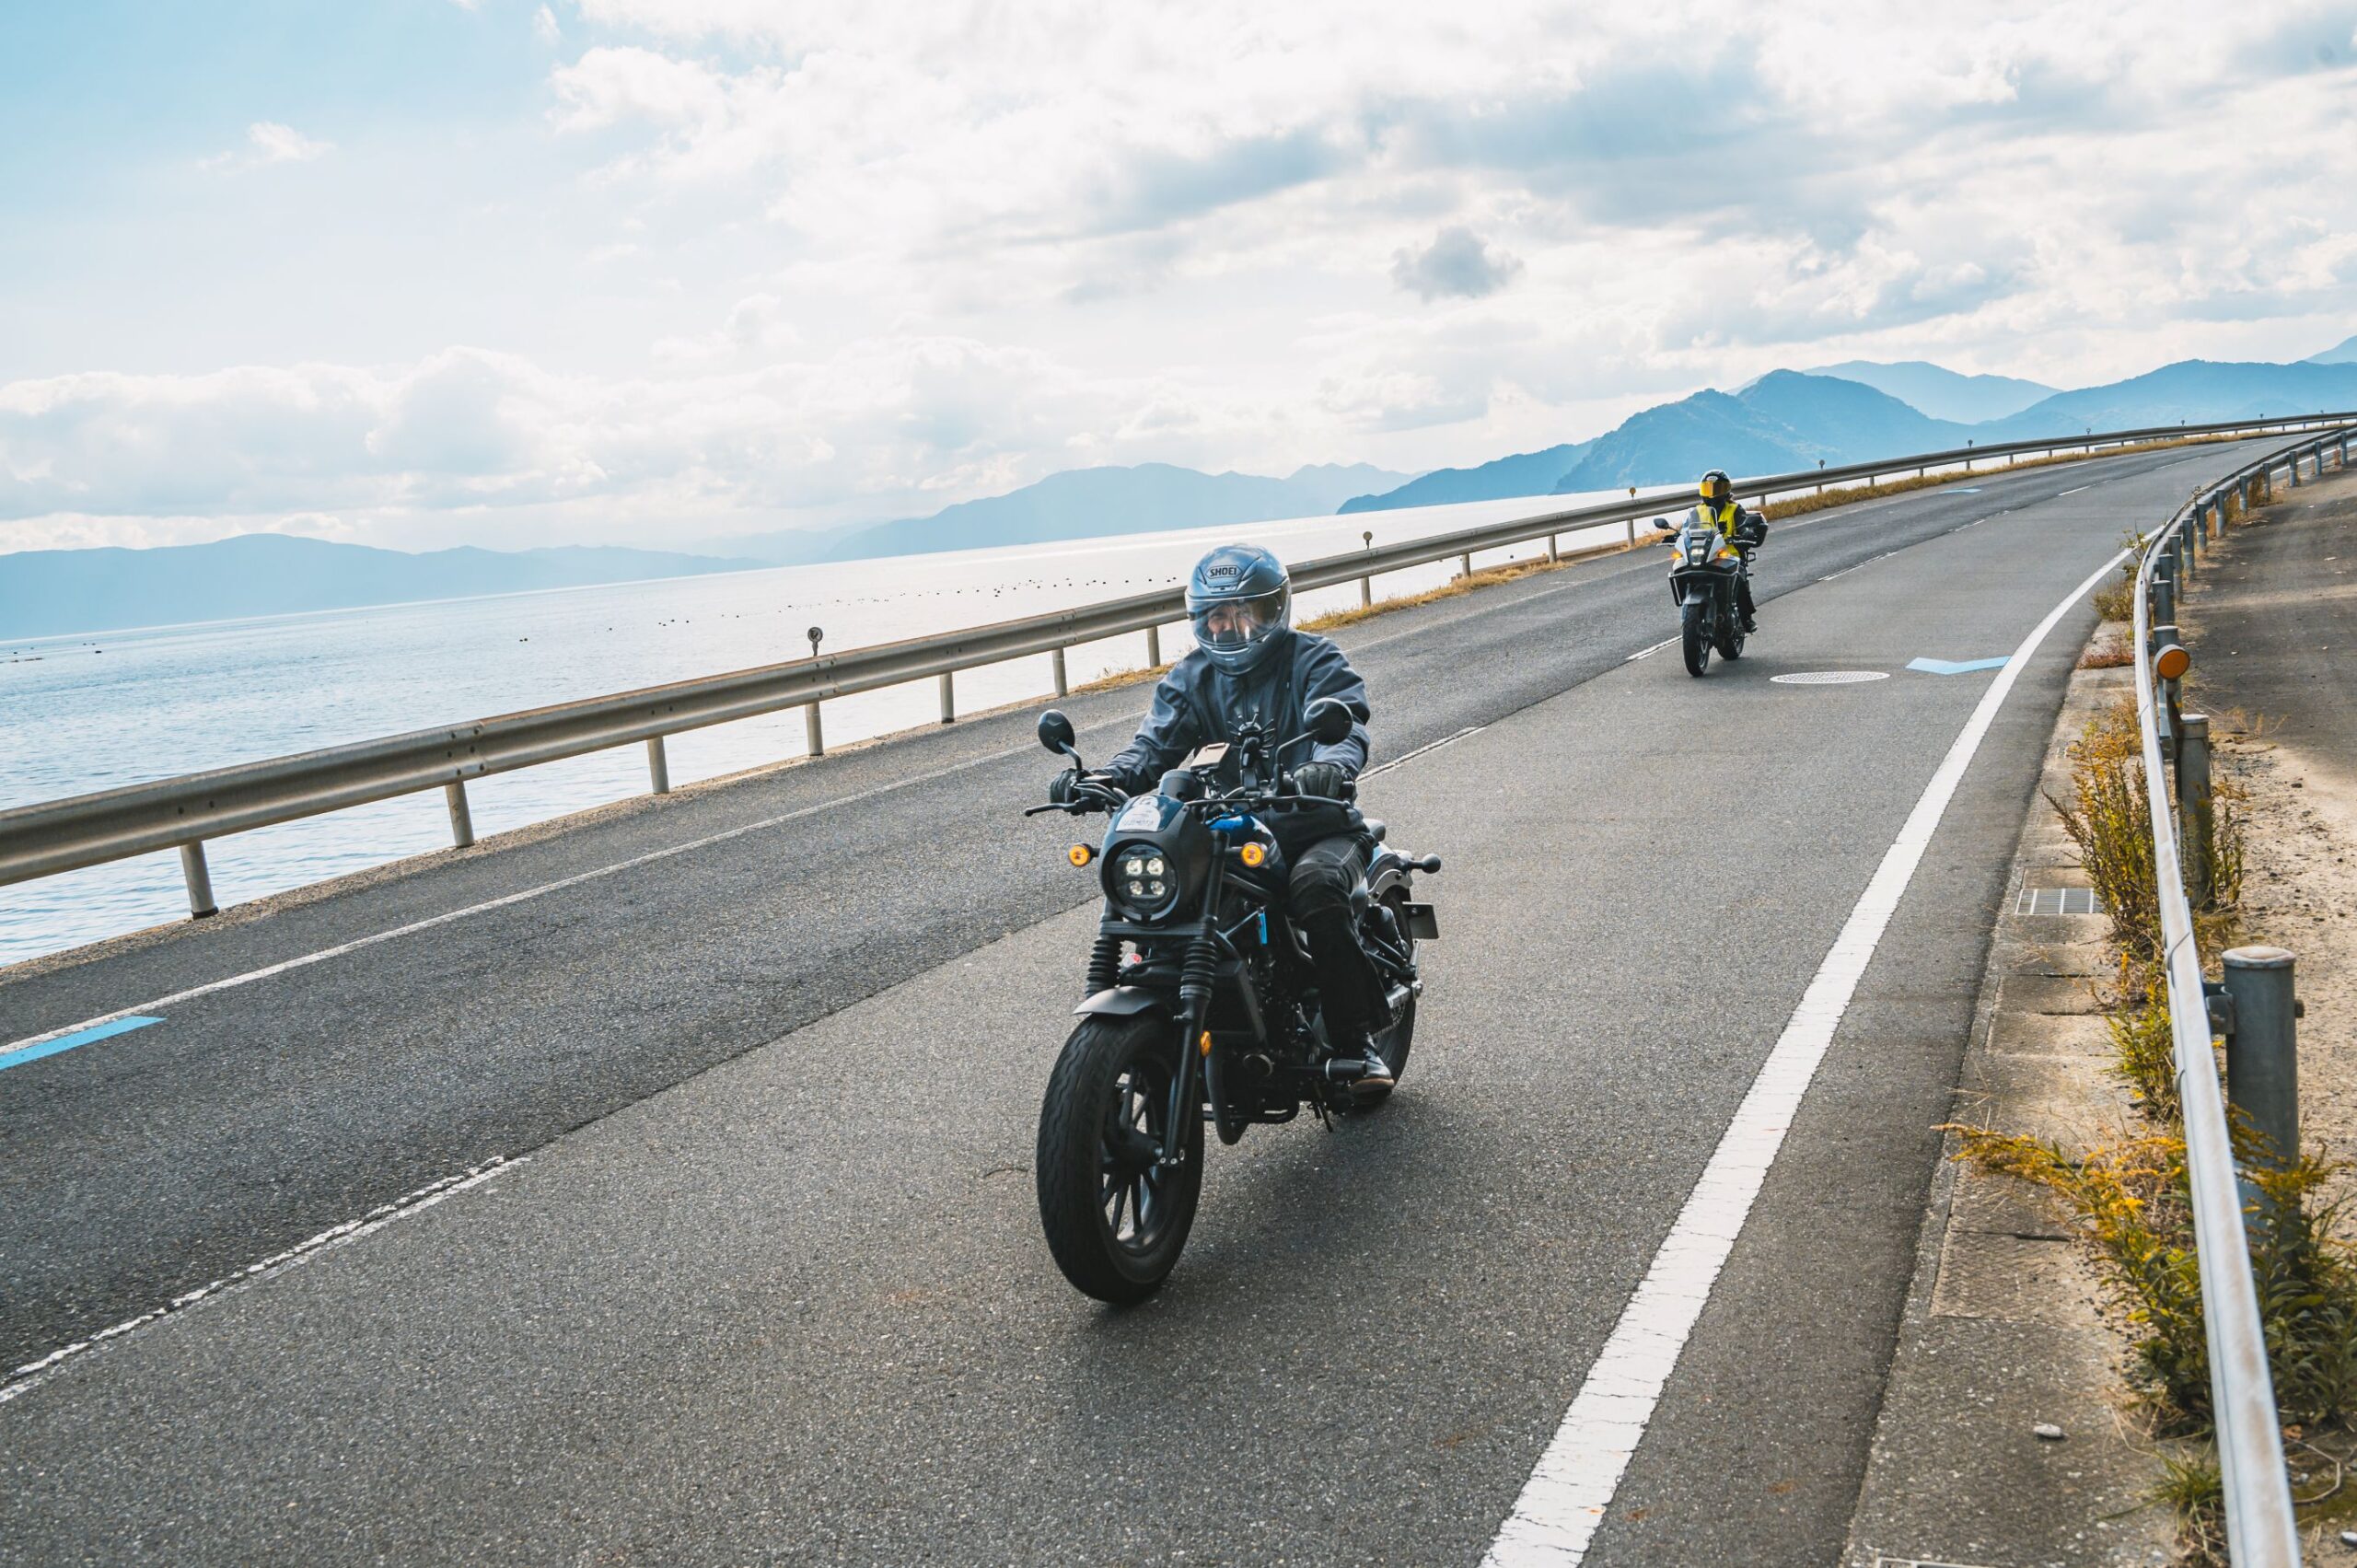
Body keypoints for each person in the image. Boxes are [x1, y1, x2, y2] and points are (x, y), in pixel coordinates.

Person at [1052, 543, 1394, 1086]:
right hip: (1225, 828)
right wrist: (1108, 779)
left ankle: (1356, 1041)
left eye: (1242, 613)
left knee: (1317, 889)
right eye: (1216, 614)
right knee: (1165, 900)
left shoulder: (1314, 659)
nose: (1228, 627)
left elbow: (1347, 724)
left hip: (1312, 823)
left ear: (1271, 610)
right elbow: (1152, 745)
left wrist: (1329, 766)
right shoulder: (1192, 676)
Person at [1694, 468, 1768, 633]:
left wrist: (1746, 534)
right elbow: (1688, 528)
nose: (1712, 494)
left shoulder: (1734, 509)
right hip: (1705, 555)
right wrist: (1675, 536)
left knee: (1739, 576)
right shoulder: (1698, 511)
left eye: (1717, 489)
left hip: (1730, 556)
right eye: (1708, 489)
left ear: (1726, 491)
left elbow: (1743, 527)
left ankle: (1746, 617)